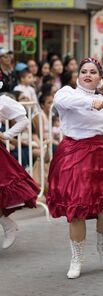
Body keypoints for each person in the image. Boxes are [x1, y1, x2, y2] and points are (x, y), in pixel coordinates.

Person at [47, 58, 103, 279]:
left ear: (100, 77)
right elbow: (65, 103)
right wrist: (90, 104)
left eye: (93, 72)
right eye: (84, 71)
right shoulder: (67, 93)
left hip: (100, 154)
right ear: (78, 75)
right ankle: (77, 258)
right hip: (73, 154)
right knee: (77, 209)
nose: (88, 75)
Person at [0, 89, 39, 249]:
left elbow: (23, 120)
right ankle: (7, 223)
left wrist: (7, 134)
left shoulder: (2, 101)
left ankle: (7, 224)